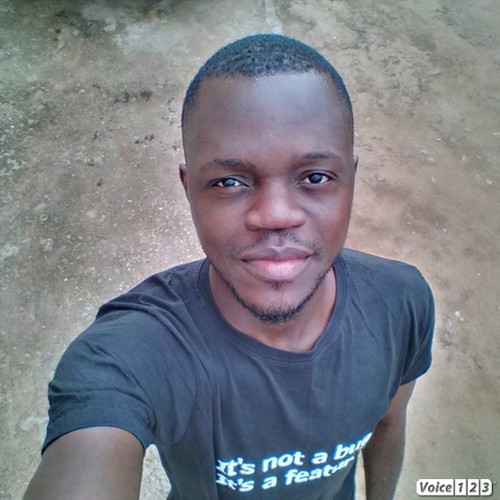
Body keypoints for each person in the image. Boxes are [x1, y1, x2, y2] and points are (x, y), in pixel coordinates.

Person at [24, 34, 434, 500]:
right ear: (189, 189)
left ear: (351, 180)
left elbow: (389, 422)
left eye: (316, 177)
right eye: (229, 182)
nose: (275, 215)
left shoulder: (402, 303)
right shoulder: (131, 353)